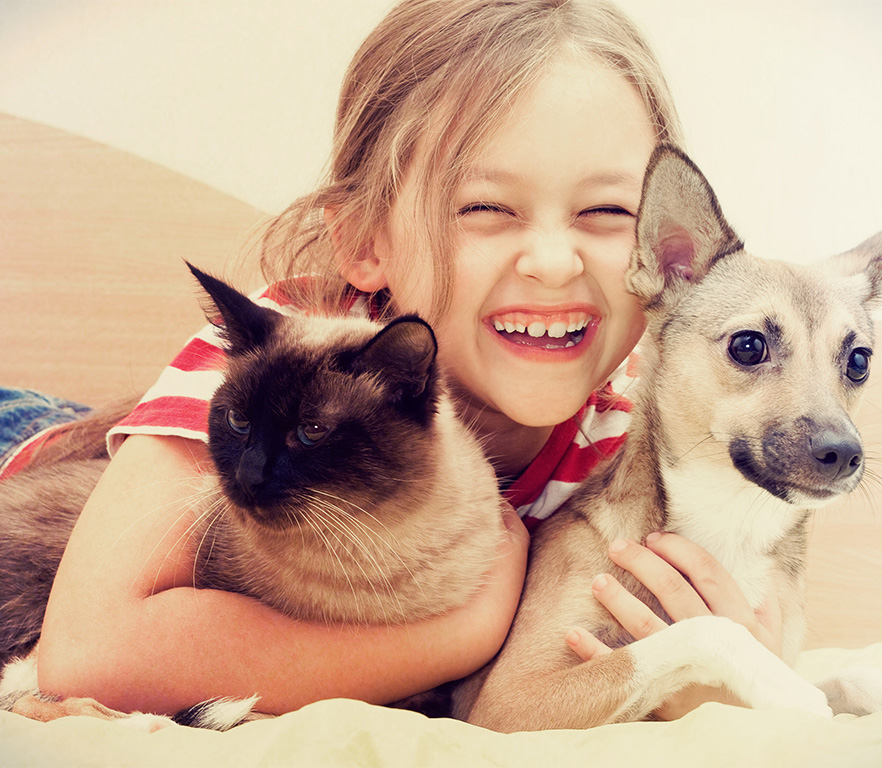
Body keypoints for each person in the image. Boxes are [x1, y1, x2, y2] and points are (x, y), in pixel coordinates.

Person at [7, 0, 783, 720]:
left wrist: (732, 650)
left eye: (609, 212)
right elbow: (87, 653)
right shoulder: (278, 358)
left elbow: (719, 634)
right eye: (486, 207)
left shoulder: (631, 443)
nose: (554, 261)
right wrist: (466, 627)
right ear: (365, 244)